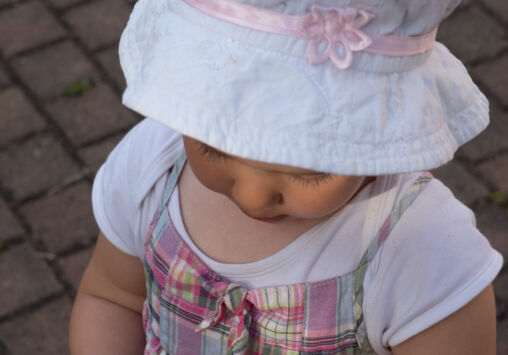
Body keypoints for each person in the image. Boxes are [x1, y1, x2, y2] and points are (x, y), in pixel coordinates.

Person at [69, 0, 503, 354]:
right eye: (213, 147)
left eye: (309, 172)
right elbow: (112, 299)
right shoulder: (154, 167)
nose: (255, 197)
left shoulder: (421, 252)